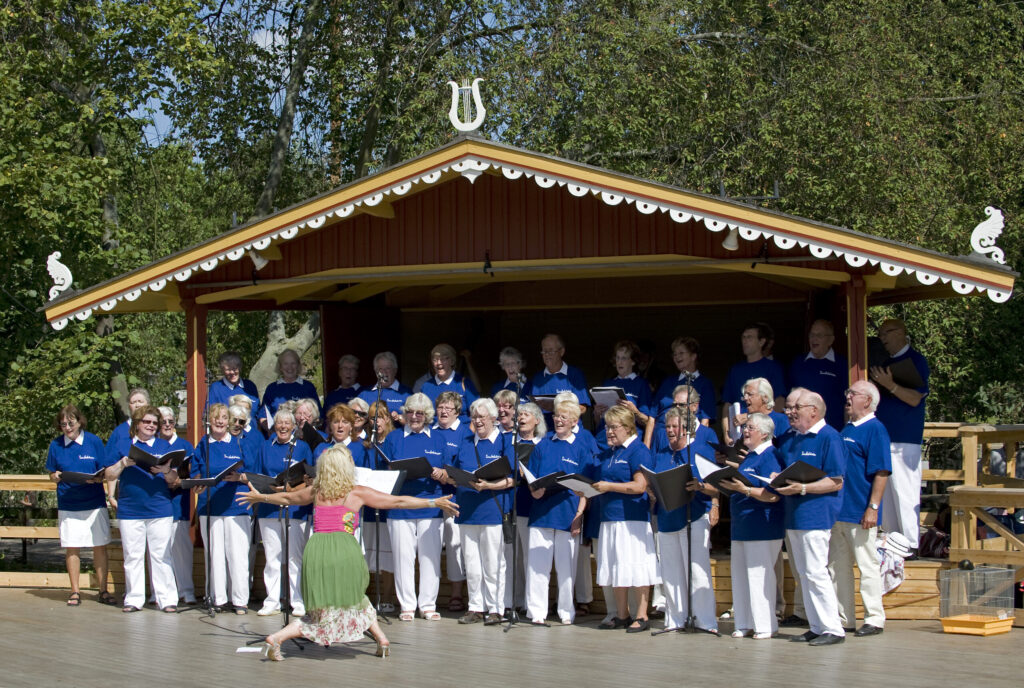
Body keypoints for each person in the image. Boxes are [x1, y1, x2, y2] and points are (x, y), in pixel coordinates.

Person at [236, 445, 459, 661]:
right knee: (347, 601)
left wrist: (261, 498)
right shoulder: (356, 493)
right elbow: (398, 501)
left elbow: (287, 498)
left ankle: (381, 639)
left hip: (317, 550)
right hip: (344, 550)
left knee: (334, 603)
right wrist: (433, 502)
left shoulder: (316, 491)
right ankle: (278, 637)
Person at [775, 390, 847, 646]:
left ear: (814, 411)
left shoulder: (829, 437)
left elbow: (836, 481)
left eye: (797, 408)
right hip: (794, 515)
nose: (791, 412)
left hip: (816, 515)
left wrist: (803, 488)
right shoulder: (790, 438)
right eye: (790, 407)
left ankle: (833, 628)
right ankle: (816, 625)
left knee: (816, 572)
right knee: (804, 574)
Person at [102, 405, 180, 613]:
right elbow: (109, 475)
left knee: (161, 555)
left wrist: (165, 470)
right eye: (147, 421)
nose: (151, 426)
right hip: (130, 509)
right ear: (137, 423)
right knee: (133, 556)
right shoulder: (123, 444)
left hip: (159, 508)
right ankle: (134, 599)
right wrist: (122, 464)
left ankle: (166, 599)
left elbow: (174, 479)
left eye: (155, 423)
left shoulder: (164, 446)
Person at [830, 380, 891, 637]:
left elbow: (882, 471)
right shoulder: (846, 428)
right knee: (837, 568)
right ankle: (845, 618)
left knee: (867, 565)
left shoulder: (875, 429)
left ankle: (874, 618)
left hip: (860, 510)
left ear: (867, 400)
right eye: (848, 392)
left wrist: (873, 507)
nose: (847, 397)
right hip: (838, 510)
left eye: (852, 393)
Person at [380, 393, 448, 621]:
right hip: (400, 507)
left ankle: (427, 605)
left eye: (419, 413)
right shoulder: (394, 438)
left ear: (427, 415)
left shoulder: (438, 438)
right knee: (403, 558)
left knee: (430, 558)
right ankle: (407, 605)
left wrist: (442, 473)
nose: (414, 417)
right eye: (410, 412)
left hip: (431, 506)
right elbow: (386, 470)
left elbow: (449, 471)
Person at [650, 406, 719, 633]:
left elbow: (716, 486)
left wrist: (700, 486)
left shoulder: (700, 451)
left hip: (693, 517)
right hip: (667, 518)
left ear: (686, 428)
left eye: (675, 427)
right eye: (667, 427)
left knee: (697, 572)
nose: (670, 430)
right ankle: (675, 619)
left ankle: (705, 621)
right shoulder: (661, 453)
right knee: (670, 573)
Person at [591, 405, 659, 632]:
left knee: (636, 566)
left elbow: (640, 486)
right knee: (615, 566)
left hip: (632, 520)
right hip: (609, 518)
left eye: (614, 427)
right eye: (607, 427)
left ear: (628, 428)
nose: (609, 432)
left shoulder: (638, 450)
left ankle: (642, 615)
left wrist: (609, 486)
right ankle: (622, 615)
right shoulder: (611, 452)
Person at [717, 412, 784, 639]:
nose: (745, 431)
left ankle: (765, 625)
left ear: (764, 434)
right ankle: (744, 623)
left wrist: (743, 489)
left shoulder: (770, 456)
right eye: (745, 427)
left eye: (750, 428)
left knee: (759, 576)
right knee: (740, 576)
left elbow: (773, 495)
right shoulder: (750, 457)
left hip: (762, 526)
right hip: (742, 526)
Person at [524, 400, 592, 625]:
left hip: (567, 515)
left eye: (564, 417)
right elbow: (532, 478)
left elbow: (586, 488)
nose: (558, 420)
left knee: (567, 569)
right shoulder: (542, 445)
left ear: (574, 421)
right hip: (541, 514)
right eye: (556, 416)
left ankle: (566, 611)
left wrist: (579, 515)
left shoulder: (580, 448)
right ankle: (537, 612)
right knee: (538, 568)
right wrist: (535, 489)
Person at [448, 398, 514, 625]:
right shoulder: (465, 442)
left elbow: (513, 479)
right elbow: (454, 472)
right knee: (472, 563)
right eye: (474, 417)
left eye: (482, 417)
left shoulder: (505, 442)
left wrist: (488, 486)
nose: (477, 421)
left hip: (492, 510)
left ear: (493, 419)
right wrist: (455, 478)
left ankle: (496, 608)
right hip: (467, 510)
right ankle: (475, 607)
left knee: (493, 562)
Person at [46, 404, 115, 607]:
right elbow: (51, 473)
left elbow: (105, 470)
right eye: (63, 424)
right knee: (72, 547)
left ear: (79, 421)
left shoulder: (93, 441)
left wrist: (98, 478)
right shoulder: (56, 445)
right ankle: (75, 591)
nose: (67, 428)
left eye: (71, 423)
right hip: (68, 503)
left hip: (94, 503)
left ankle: (103, 590)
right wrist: (55, 477)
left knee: (99, 546)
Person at [870, 318, 929, 551]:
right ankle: (894, 543)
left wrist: (890, 385)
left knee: (905, 492)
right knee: (888, 495)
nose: (883, 338)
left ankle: (911, 544)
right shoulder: (885, 363)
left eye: (887, 332)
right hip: (885, 437)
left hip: (905, 439)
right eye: (880, 334)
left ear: (901, 332)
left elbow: (915, 398)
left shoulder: (916, 360)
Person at [189, 403, 253, 613]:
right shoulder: (203, 444)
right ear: (209, 420)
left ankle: (240, 600)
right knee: (215, 555)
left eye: (224, 417)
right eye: (216, 417)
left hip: (237, 506)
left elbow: (253, 473)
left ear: (229, 421)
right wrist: (197, 484)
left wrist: (240, 477)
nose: (219, 421)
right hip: (210, 507)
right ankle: (217, 599)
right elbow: (196, 472)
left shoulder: (239, 443)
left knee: (238, 555)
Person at [255, 409, 314, 617]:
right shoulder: (265, 446)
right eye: (279, 423)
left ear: (293, 427)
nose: (283, 427)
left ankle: (297, 600)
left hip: (295, 509)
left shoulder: (302, 447)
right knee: (272, 557)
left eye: (287, 423)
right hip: (270, 508)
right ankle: (272, 601)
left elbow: (310, 478)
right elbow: (257, 475)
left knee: (295, 557)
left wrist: (292, 488)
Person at [432, 391, 471, 613]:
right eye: (440, 407)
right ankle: (430, 595)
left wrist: (448, 476)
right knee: (431, 546)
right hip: (430, 497)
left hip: (454, 498)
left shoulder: (465, 433)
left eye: (448, 408)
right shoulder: (430, 431)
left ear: (457, 412)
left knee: (455, 546)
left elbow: (465, 467)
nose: (444, 411)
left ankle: (456, 593)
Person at [156, 406, 196, 606]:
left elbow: (193, 473)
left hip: (179, 502)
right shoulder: (152, 444)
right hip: (156, 502)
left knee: (181, 549)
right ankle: (159, 592)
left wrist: (179, 481)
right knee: (159, 551)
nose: (167, 425)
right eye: (163, 422)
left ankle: (186, 590)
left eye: (170, 421)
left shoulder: (184, 445)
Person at [721, 324, 787, 441]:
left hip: (762, 434)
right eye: (743, 337)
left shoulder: (773, 368)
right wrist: (727, 434)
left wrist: (752, 418)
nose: (745, 341)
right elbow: (727, 405)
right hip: (738, 434)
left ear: (761, 342)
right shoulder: (735, 370)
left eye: (750, 337)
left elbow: (779, 402)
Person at [789, 320, 848, 429]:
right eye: (812, 335)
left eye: (819, 335)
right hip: (801, 429)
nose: (814, 339)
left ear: (830, 340)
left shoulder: (842, 364)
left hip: (832, 427)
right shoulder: (798, 363)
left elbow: (847, 401)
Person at [595, 340, 654, 436]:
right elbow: (598, 422)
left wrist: (635, 412)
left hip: (629, 436)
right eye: (617, 358)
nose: (620, 362)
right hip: (605, 437)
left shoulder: (641, 384)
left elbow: (647, 421)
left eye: (624, 358)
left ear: (633, 361)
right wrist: (597, 414)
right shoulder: (608, 383)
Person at [654, 337, 717, 424]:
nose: (677, 357)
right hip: (662, 430)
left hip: (690, 431)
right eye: (674, 354)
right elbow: (652, 415)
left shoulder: (704, 384)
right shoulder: (668, 382)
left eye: (681, 353)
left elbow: (705, 420)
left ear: (693, 356)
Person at [258, 349, 321, 431]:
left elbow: (318, 416)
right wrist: (272, 431)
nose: (289, 367)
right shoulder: (272, 388)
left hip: (303, 435)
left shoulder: (308, 387)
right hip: (278, 434)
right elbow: (263, 417)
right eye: (285, 364)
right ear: (280, 367)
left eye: (293, 363)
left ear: (298, 365)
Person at [529, 334, 589, 419]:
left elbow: (583, 408)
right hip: (544, 426)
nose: (547, 354)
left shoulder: (575, 374)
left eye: (551, 351)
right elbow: (532, 409)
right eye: (544, 351)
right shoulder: (537, 378)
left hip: (569, 426)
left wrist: (559, 409)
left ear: (561, 352)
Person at [420, 343, 479, 417]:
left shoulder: (465, 383)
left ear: (452, 361)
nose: (439, 363)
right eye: (435, 360)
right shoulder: (426, 386)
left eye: (443, 359)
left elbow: (476, 413)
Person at [729, 378, 790, 444]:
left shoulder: (782, 420)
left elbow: (785, 448)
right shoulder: (743, 419)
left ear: (765, 397)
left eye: (750, 394)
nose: (745, 398)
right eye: (745, 395)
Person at [358, 351, 412, 421]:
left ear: (395, 370)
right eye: (380, 369)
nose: (384, 372)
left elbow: (414, 419)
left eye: (388, 368)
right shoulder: (365, 393)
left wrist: (399, 418)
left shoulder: (406, 393)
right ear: (376, 371)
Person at [106, 388, 151, 463]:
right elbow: (108, 461)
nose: (137, 405)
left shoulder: (156, 429)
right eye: (133, 402)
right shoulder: (119, 431)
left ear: (148, 404)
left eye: (140, 401)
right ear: (129, 406)